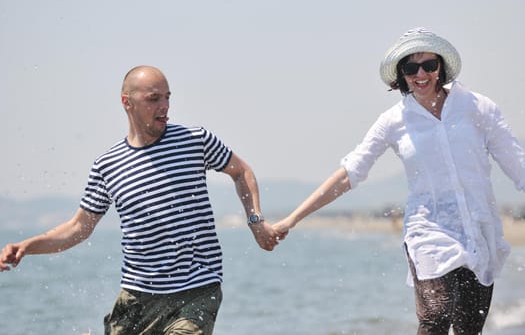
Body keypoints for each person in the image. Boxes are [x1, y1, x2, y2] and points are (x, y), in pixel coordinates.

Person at [273, 28, 525, 334]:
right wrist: (292, 219)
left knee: (469, 327)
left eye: (429, 65)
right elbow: (350, 173)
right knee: (435, 316)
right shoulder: (393, 121)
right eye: (410, 67)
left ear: (440, 68)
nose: (421, 74)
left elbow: (516, 162)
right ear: (401, 75)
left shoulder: (477, 107)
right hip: (428, 230)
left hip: (479, 229)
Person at [0, 65, 282, 335]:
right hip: (137, 296)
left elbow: (241, 171)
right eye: (154, 98)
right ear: (127, 102)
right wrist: (27, 246)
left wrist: (256, 220)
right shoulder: (107, 166)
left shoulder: (195, 140)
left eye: (167, 97)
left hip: (197, 289)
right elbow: (78, 228)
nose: (164, 106)